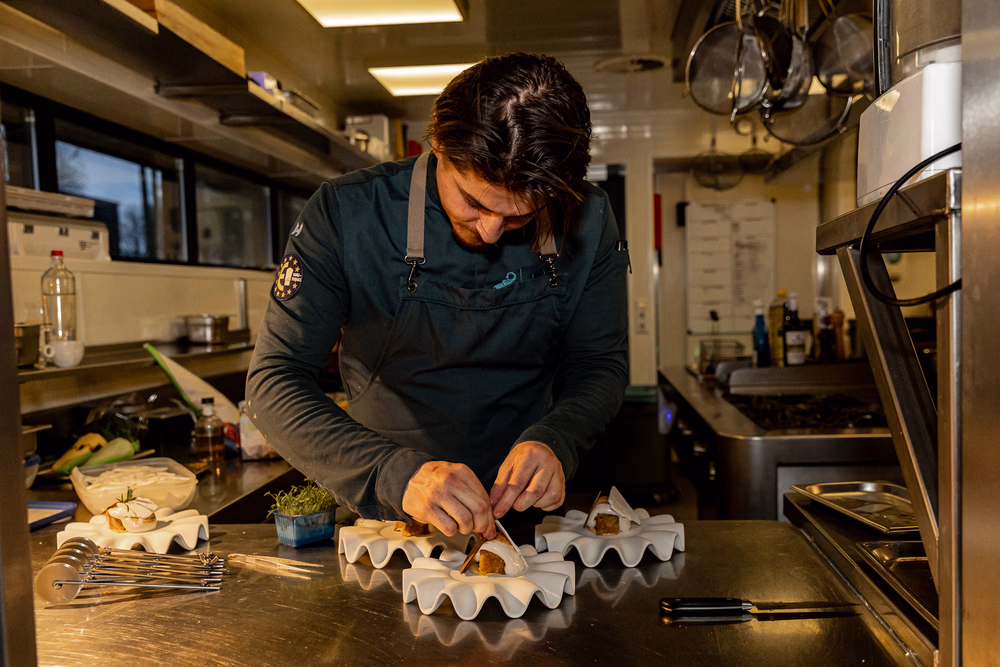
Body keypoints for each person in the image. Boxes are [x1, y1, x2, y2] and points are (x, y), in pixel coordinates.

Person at [246, 52, 629, 541]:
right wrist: (394, 474)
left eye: (519, 217)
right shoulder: (347, 214)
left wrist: (558, 440)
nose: (491, 233)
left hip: (528, 521)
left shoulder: (588, 219)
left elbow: (600, 364)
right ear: (438, 144)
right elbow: (274, 381)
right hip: (385, 522)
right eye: (472, 202)